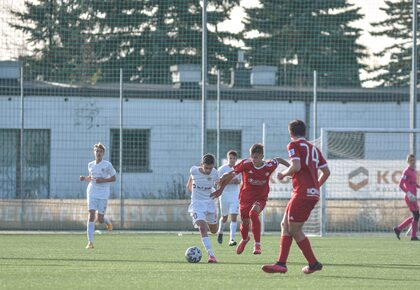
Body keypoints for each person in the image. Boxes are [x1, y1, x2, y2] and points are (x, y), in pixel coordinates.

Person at [262, 119, 330, 275]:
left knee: (294, 229)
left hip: (301, 193)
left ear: (290, 133)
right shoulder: (314, 148)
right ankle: (282, 264)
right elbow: (326, 172)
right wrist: (314, 187)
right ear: (304, 132)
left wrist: (283, 173)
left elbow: (296, 166)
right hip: (310, 193)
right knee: (285, 224)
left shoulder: (293, 145)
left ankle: (312, 263)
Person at [211, 144, 289, 255]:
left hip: (261, 198)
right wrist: (221, 187)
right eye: (252, 156)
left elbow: (279, 160)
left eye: (256, 157)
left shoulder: (269, 166)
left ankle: (257, 245)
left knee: (253, 213)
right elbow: (232, 173)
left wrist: (291, 169)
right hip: (245, 198)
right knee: (245, 222)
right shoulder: (246, 164)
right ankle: (245, 239)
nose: (254, 159)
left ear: (262, 156)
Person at [80, 143, 116, 249]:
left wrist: (103, 180)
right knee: (91, 215)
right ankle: (90, 242)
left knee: (100, 219)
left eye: (100, 151)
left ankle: (107, 222)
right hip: (92, 192)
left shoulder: (107, 165)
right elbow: (92, 178)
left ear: (103, 153)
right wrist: (85, 178)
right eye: (96, 151)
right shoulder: (90, 165)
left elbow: (114, 178)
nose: (98, 153)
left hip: (103, 193)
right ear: (94, 152)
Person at [187, 153, 220, 263]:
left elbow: (219, 184)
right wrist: (196, 194)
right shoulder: (194, 171)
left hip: (210, 203)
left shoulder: (215, 173)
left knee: (214, 230)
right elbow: (189, 185)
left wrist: (218, 191)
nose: (208, 170)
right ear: (202, 165)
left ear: (213, 166)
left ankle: (214, 221)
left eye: (210, 168)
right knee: (202, 227)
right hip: (197, 204)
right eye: (206, 168)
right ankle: (211, 255)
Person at [217, 150, 241, 246]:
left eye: (234, 158)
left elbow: (240, 180)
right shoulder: (222, 169)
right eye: (230, 158)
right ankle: (220, 232)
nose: (232, 160)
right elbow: (218, 182)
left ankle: (232, 239)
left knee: (234, 217)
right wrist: (229, 181)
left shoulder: (238, 169)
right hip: (224, 195)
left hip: (235, 195)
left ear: (236, 159)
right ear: (227, 159)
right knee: (224, 217)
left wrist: (237, 181)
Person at [393, 154, 419, 241]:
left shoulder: (414, 171)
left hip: (413, 197)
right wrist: (408, 193)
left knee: (416, 215)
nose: (412, 162)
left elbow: (414, 184)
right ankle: (413, 236)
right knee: (416, 215)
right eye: (411, 160)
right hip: (409, 197)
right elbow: (400, 185)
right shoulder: (406, 171)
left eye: (413, 160)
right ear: (407, 161)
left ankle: (398, 229)